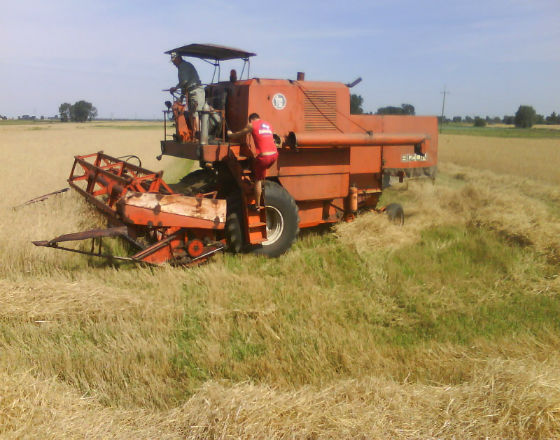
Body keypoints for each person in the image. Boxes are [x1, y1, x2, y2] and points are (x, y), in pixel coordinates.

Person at [227, 113, 278, 211]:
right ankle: (262, 188)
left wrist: (230, 134)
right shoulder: (268, 125)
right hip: (274, 155)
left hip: (265, 157)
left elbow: (238, 134)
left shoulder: (252, 125)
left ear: (251, 120)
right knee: (261, 173)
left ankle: (257, 206)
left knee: (257, 180)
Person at [169, 52, 205, 133]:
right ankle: (192, 134)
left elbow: (184, 81)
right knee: (190, 113)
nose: (173, 63)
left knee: (195, 114)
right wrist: (181, 99)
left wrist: (175, 88)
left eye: (174, 61)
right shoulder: (181, 67)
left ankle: (198, 135)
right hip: (190, 92)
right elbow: (184, 86)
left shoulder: (184, 66)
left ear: (179, 58)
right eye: (172, 61)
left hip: (196, 92)